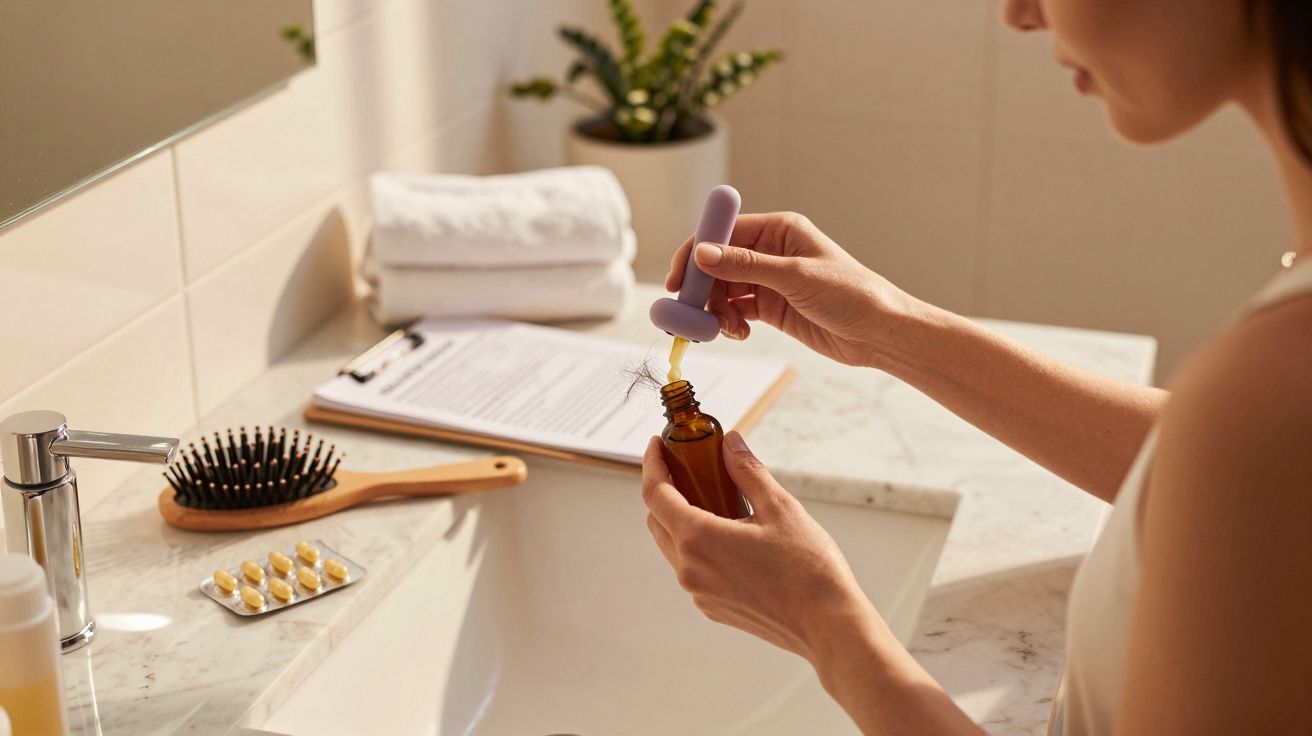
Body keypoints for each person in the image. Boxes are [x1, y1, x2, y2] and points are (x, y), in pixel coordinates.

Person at [639, 0, 1312, 733]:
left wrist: (820, 619)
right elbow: (1203, 467)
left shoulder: (1272, 387)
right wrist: (888, 329)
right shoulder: (1267, 393)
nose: (1018, 13)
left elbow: (1252, 446)